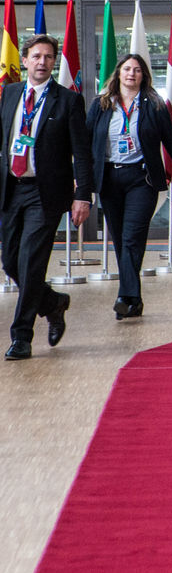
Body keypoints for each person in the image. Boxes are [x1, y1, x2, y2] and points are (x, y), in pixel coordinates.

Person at [2, 34, 93, 361]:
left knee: (31, 261)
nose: (42, 62)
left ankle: (21, 336)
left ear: (54, 62)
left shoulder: (68, 101)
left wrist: (82, 195)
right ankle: (53, 303)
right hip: (11, 189)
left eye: (49, 57)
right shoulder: (9, 94)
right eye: (37, 56)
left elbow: (82, 153)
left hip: (46, 193)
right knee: (10, 261)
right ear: (25, 60)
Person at [87, 53, 172, 320]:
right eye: (127, 69)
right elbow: (85, 141)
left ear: (143, 76)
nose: (131, 74)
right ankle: (133, 300)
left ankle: (124, 296)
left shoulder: (154, 105)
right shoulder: (101, 104)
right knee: (120, 240)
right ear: (118, 73)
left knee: (131, 238)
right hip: (110, 179)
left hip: (142, 179)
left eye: (137, 70)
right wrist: (79, 178)